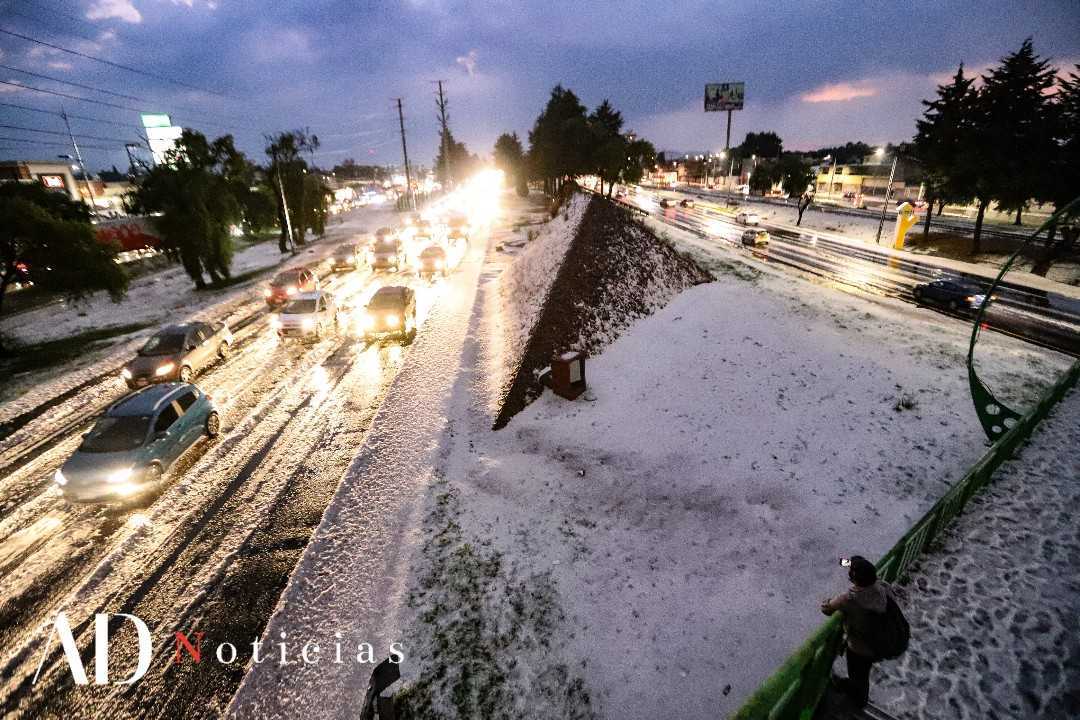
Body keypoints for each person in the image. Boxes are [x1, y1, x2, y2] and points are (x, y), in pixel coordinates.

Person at [820, 555, 894, 708]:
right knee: (863, 672)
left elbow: (827, 609)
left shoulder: (850, 599)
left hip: (859, 648)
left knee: (857, 673)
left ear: (854, 578)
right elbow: (862, 567)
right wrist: (845, 562)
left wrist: (826, 601)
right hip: (878, 642)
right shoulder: (882, 587)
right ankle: (855, 689)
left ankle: (858, 700)